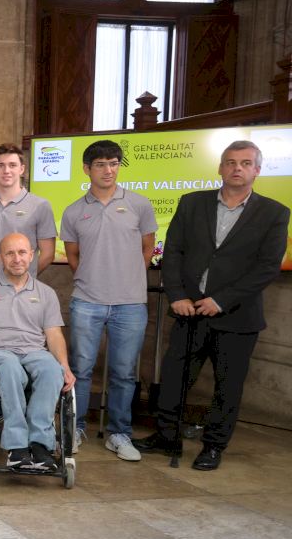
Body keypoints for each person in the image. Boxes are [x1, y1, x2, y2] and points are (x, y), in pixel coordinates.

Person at [137, 141, 290, 470]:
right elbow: (173, 251)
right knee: (174, 379)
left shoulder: (274, 213)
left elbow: (267, 267)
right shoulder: (192, 203)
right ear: (220, 168)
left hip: (237, 318)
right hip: (189, 311)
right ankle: (167, 436)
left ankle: (213, 446)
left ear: (257, 170)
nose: (237, 168)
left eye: (245, 163)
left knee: (227, 388)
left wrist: (221, 300)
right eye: (230, 162)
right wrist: (177, 294)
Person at [60, 139, 156, 461]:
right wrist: (94, 278)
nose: (108, 170)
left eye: (114, 164)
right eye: (101, 164)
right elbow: (73, 256)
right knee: (80, 368)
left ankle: (119, 433)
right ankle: (75, 428)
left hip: (130, 304)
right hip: (87, 301)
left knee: (124, 372)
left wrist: (128, 280)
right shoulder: (74, 211)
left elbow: (147, 248)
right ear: (87, 169)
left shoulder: (139, 204)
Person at [0, 233, 75, 470]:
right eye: (10, 253)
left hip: (33, 351)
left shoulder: (45, 293)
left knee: (52, 369)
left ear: (31, 256)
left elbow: (54, 334)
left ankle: (40, 445)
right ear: (0, 257)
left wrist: (64, 365)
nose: (16, 259)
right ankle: (17, 446)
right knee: (10, 367)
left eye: (22, 252)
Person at [0, 143, 56, 278]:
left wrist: (22, 278)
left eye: (12, 165)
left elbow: (48, 254)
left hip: (21, 287)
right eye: (0, 165)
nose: (6, 170)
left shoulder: (40, 206)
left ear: (22, 169)